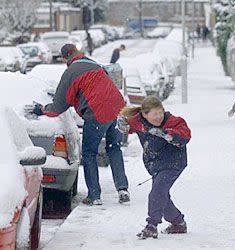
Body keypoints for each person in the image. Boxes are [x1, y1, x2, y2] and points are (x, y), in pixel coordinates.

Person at [28, 44, 130, 206]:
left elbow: (58, 107)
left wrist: (41, 110)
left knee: (89, 153)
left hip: (97, 113)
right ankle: (123, 189)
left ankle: (94, 195)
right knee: (114, 148)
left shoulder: (71, 72)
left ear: (64, 58)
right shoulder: (93, 64)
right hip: (118, 109)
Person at [117, 96, 191, 239]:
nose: (159, 117)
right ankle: (178, 223)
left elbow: (185, 135)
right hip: (155, 165)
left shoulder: (173, 122)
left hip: (173, 163)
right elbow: (127, 124)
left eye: (160, 112)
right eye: (154, 114)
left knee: (157, 193)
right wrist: (122, 124)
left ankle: (152, 225)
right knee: (163, 196)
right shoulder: (140, 122)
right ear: (144, 114)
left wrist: (167, 134)